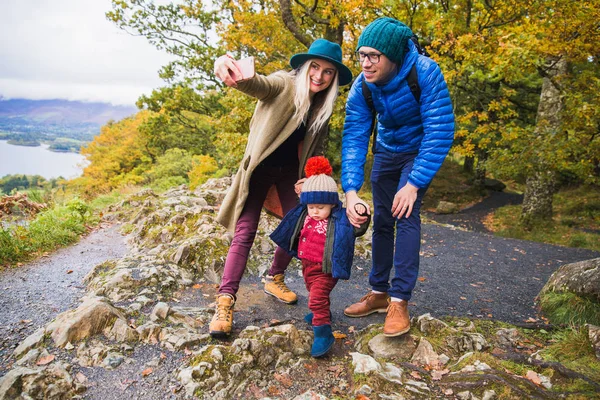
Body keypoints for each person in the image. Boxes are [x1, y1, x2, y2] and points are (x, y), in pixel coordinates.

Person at [209, 39, 353, 338]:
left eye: (328, 72)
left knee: (300, 227)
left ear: (333, 79)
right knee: (244, 232)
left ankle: (274, 278)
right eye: (315, 67)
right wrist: (225, 67)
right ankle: (225, 301)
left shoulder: (321, 107)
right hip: (258, 173)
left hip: (289, 175)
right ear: (304, 67)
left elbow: (316, 149)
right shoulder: (283, 84)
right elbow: (258, 84)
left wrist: (309, 178)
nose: (320, 76)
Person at [341, 17, 455, 337]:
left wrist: (414, 183)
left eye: (373, 56)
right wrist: (351, 190)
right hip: (387, 151)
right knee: (382, 222)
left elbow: (440, 131)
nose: (365, 62)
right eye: (361, 55)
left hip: (418, 153)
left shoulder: (425, 72)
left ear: (392, 56)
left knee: (405, 215)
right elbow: (354, 135)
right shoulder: (363, 84)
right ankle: (378, 293)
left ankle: (399, 300)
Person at [270, 156, 369, 357]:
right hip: (307, 265)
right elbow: (293, 220)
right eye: (311, 206)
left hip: (327, 268)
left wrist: (362, 214)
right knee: (313, 292)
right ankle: (322, 313)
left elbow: (357, 228)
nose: (315, 211)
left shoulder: (339, 218)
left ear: (332, 205)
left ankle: (323, 333)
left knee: (316, 297)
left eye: (321, 207)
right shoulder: (304, 214)